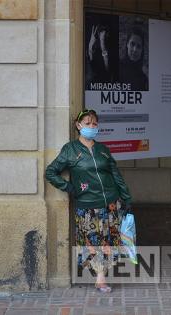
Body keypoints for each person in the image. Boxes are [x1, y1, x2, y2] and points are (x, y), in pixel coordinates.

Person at [45, 109, 132, 293]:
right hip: (87, 206)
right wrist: (70, 188)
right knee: (93, 241)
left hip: (110, 203)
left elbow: (116, 174)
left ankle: (101, 277)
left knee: (108, 241)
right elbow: (50, 172)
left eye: (94, 124)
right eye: (87, 123)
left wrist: (126, 197)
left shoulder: (103, 150)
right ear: (79, 126)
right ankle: (100, 278)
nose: (92, 127)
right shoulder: (70, 149)